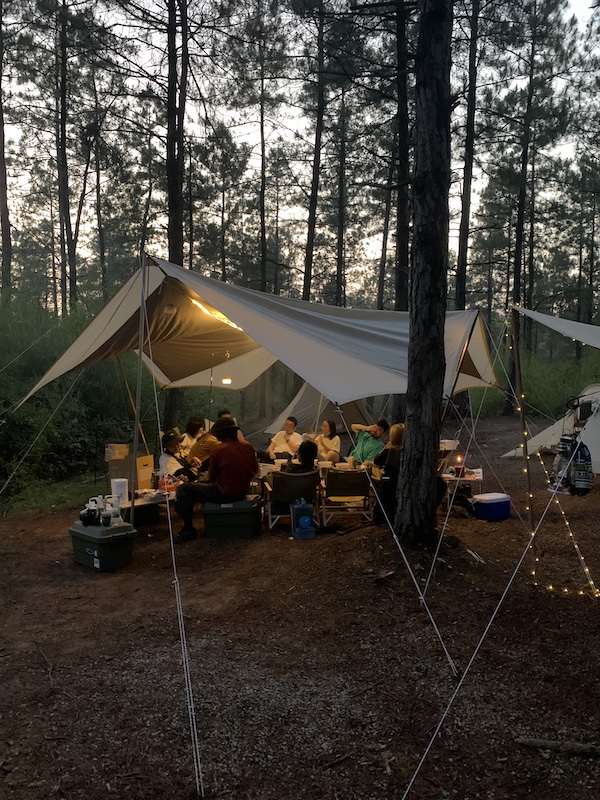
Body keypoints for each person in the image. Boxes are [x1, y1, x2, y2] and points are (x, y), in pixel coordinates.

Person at [174, 417, 259, 543]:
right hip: (242, 490)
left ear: (222, 433)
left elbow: (212, 477)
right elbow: (255, 469)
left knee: (184, 489)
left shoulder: (218, 450)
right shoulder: (248, 446)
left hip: (224, 492)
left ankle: (188, 529)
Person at [372, 423, 404, 524]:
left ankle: (380, 519)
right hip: (401, 480)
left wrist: (385, 448)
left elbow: (377, 461)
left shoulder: (390, 450)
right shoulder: (406, 451)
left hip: (389, 481)